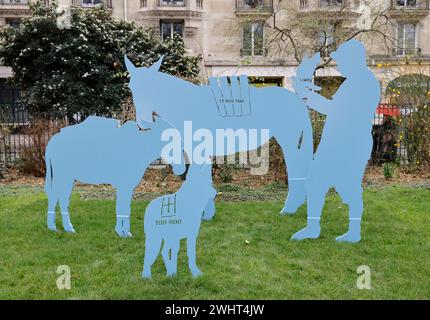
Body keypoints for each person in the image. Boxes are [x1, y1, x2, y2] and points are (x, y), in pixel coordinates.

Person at [292, 40, 381, 243]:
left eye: (341, 60)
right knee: (316, 182)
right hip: (337, 144)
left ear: (353, 60)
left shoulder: (363, 82)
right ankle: (313, 227)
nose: (338, 64)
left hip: (349, 145)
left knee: (349, 187)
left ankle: (353, 232)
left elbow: (336, 110)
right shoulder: (356, 81)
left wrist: (306, 96)